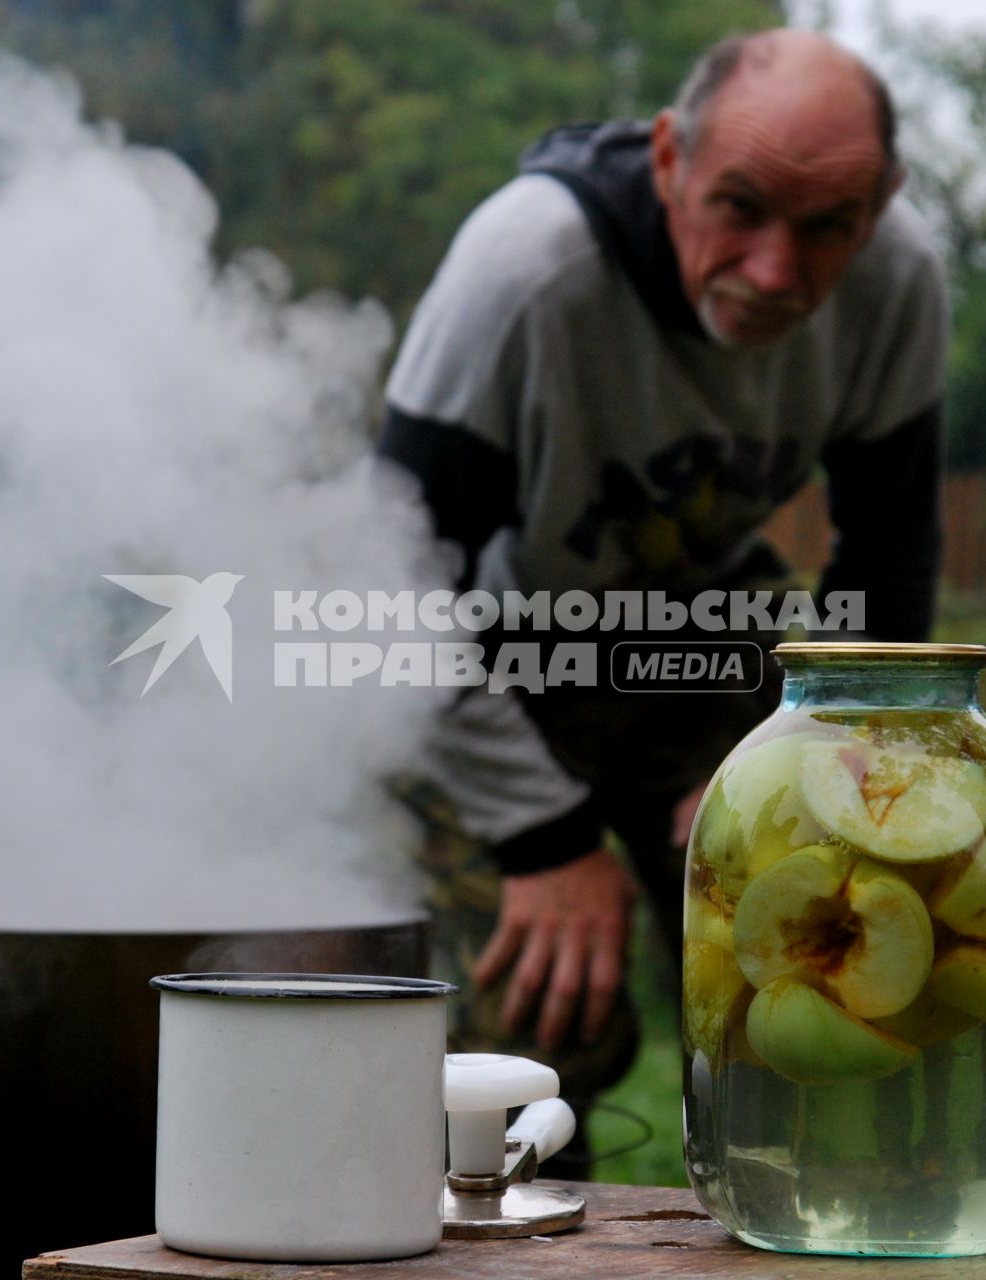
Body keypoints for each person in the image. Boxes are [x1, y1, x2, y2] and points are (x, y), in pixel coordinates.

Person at [377, 28, 947, 1173]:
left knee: (820, 963)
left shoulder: (898, 283)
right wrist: (546, 843)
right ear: (671, 158)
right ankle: (511, 1234)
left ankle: (798, 1211)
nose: (778, 271)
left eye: (828, 225)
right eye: (739, 206)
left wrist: (786, 763)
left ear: (881, 203)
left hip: (707, 632)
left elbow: (887, 566)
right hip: (494, 655)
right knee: (528, 1031)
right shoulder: (529, 269)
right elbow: (391, 591)